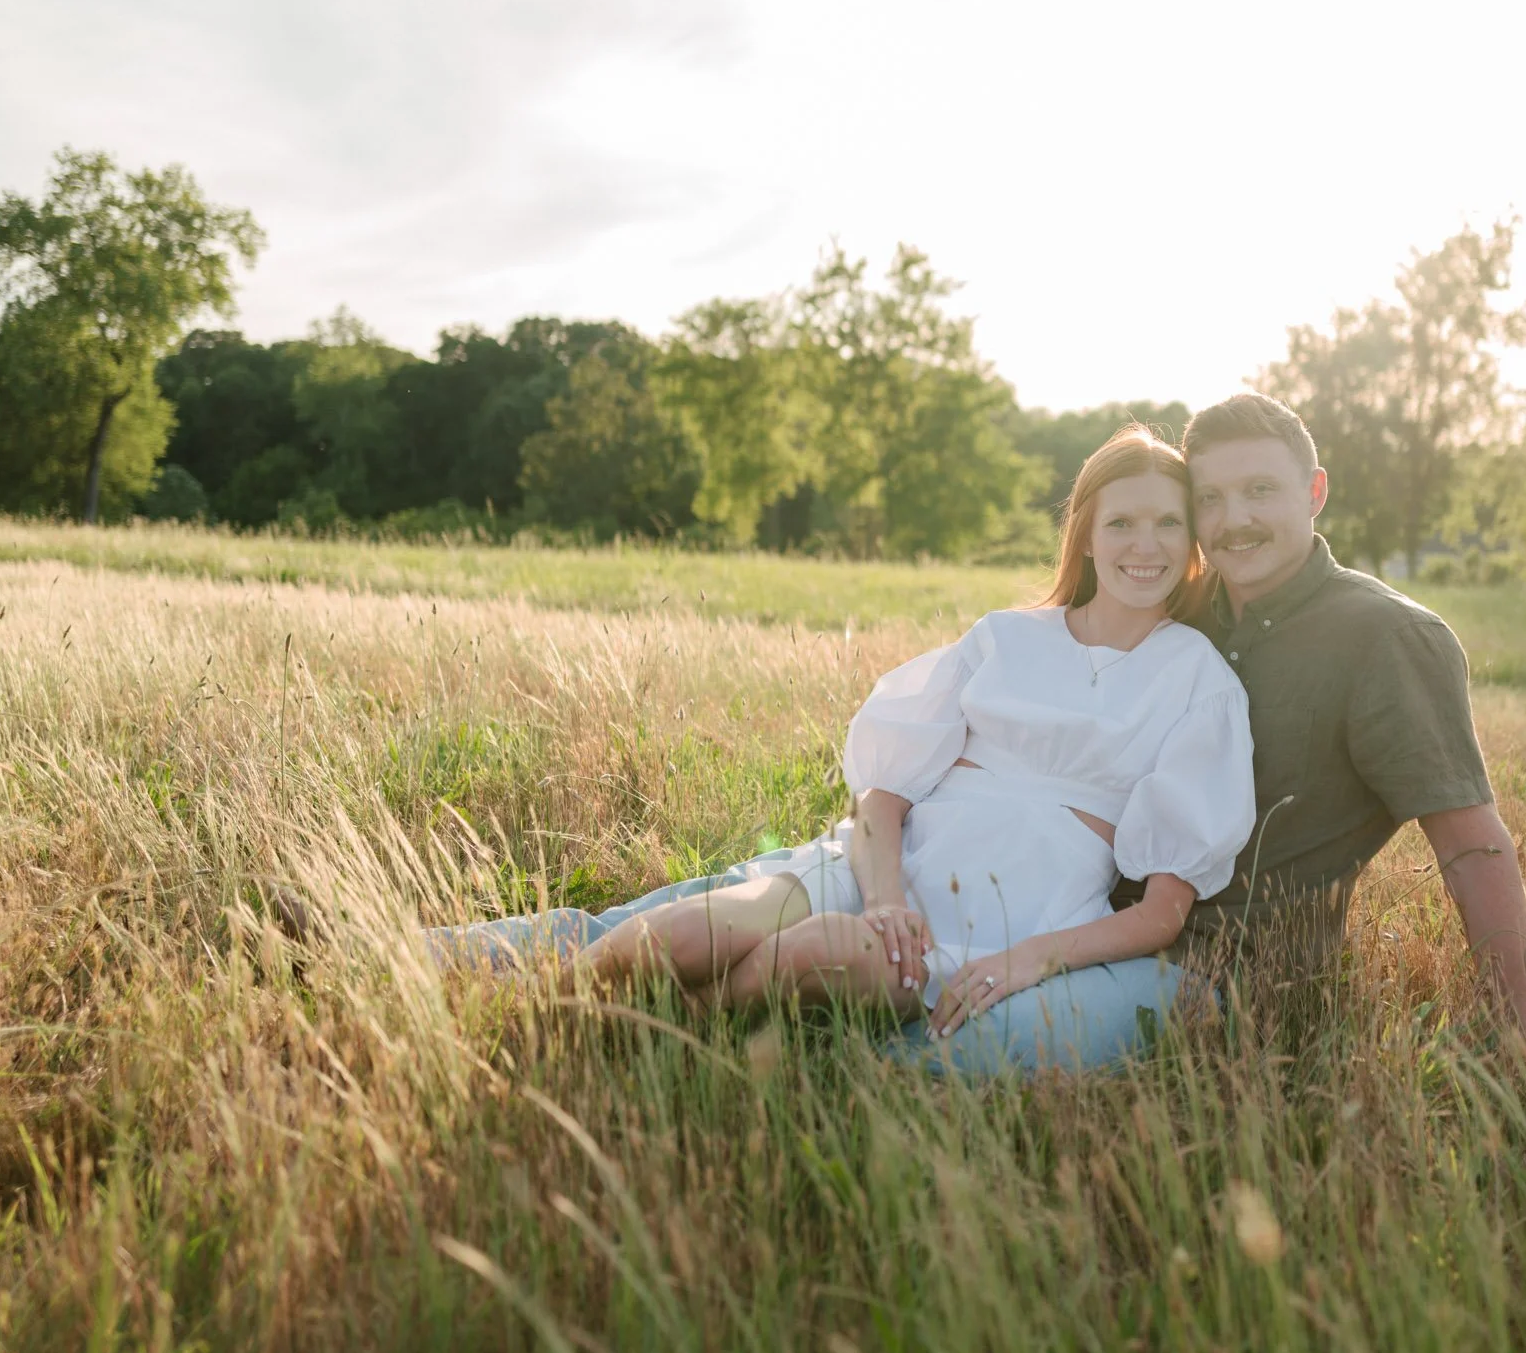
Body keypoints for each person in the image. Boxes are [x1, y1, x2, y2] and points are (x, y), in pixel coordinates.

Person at [434, 428, 1256, 1041]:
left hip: (1000, 921)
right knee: (688, 931)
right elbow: (883, 794)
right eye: (1121, 524)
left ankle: (669, 1031)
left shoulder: (1197, 679)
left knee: (818, 955)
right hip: (876, 873)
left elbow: (1161, 916)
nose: (1143, 547)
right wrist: (889, 897)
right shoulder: (1006, 637)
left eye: (1166, 526)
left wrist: (1024, 961)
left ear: (1193, 546)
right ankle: (542, 1015)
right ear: (1085, 530)